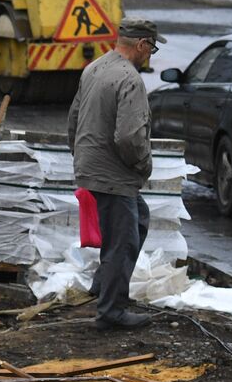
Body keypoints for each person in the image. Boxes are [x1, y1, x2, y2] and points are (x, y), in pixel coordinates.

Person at [66, 17, 165, 331]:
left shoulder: (94, 68)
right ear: (140, 45)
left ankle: (104, 288)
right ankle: (111, 312)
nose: (150, 55)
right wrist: (143, 165)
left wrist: (81, 157)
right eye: (151, 48)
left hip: (92, 167)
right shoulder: (129, 79)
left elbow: (74, 119)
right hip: (114, 175)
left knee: (137, 220)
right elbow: (129, 137)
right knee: (121, 241)